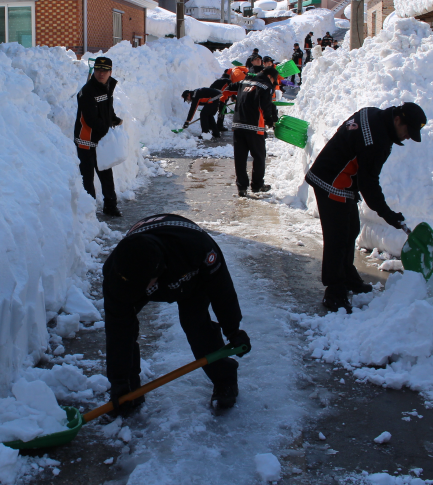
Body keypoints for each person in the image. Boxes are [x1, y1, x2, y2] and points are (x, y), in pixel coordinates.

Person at [102, 214, 251, 414]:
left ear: (157, 273)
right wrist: (118, 380)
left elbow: (221, 289)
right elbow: (117, 328)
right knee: (125, 330)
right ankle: (129, 390)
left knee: (196, 325)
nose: (138, 291)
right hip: (144, 267)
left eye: (142, 286)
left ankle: (224, 380)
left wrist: (233, 330)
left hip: (190, 276)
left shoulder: (198, 249)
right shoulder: (117, 273)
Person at [305, 103, 428, 313]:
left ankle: (348, 276)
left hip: (339, 176)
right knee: (338, 237)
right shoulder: (377, 140)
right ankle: (334, 291)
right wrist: (388, 215)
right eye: (408, 131)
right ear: (398, 119)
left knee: (351, 229)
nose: (408, 137)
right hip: (332, 180)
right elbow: (369, 184)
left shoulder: (374, 114)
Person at [74, 56, 124, 217]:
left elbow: (106, 108)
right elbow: (90, 119)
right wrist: (107, 128)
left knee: (106, 174)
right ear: (94, 71)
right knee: (87, 178)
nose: (101, 74)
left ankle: (110, 206)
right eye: (98, 70)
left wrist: (113, 118)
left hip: (101, 140)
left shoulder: (108, 86)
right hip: (86, 140)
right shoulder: (87, 91)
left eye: (104, 71)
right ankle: (89, 213)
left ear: (110, 72)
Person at [228, 66, 279, 197]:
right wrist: (270, 121)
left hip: (238, 125)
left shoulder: (245, 81)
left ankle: (242, 188)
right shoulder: (266, 86)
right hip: (254, 127)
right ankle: (257, 185)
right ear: (271, 77)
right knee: (259, 157)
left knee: (240, 158)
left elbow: (229, 87)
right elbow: (265, 105)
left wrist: (236, 98)